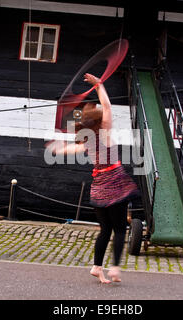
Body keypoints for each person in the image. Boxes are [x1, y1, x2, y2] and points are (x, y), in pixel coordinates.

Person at [46, 73, 139, 284]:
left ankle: (97, 267)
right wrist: (99, 85)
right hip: (115, 184)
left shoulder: (87, 140)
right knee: (119, 229)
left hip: (99, 187)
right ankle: (114, 267)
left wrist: (56, 148)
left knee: (105, 229)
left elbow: (69, 149)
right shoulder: (105, 131)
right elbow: (107, 107)